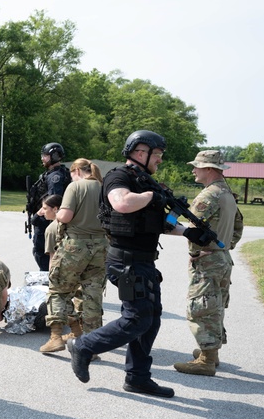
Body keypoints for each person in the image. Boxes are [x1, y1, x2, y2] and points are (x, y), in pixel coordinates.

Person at [66, 130, 213, 398]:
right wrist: (149, 196)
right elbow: (121, 203)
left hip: (144, 262)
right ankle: (84, 345)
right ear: (140, 152)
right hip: (126, 262)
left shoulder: (148, 182)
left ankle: (137, 377)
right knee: (136, 319)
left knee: (151, 319)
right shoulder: (119, 177)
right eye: (157, 155)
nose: (160, 160)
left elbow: (158, 223)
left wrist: (188, 232)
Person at [173, 150, 244, 376]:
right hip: (222, 258)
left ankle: (206, 360)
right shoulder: (227, 193)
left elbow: (193, 231)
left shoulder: (208, 195)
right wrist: (224, 247)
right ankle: (212, 353)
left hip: (207, 259)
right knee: (215, 306)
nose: (194, 169)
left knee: (201, 308)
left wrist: (198, 252)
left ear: (210, 169)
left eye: (198, 166)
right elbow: (238, 226)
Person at [41, 159, 109, 354]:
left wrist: (61, 211)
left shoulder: (75, 187)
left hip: (76, 245)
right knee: (92, 297)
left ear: (77, 170)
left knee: (58, 290)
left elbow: (65, 217)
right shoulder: (105, 188)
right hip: (101, 247)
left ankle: (55, 337)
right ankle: (91, 345)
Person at [26, 142, 71, 271]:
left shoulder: (55, 177)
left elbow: (53, 201)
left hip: (46, 221)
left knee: (42, 254)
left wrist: (37, 216)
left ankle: (48, 283)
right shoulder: (55, 174)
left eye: (45, 156)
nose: (42, 158)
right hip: (47, 220)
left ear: (54, 156)